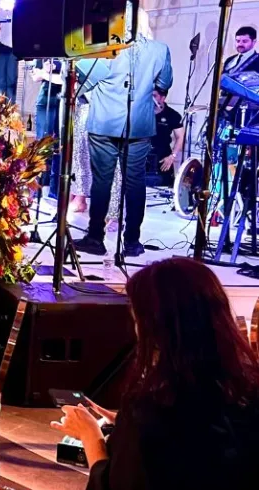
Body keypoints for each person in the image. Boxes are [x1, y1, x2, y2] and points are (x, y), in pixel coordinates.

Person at [51, 257, 259, 489]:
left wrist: (91, 437)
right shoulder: (247, 389)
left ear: (155, 328)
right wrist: (123, 426)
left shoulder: (152, 411)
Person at [72, 9, 172, 257]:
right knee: (135, 182)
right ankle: (132, 242)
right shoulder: (160, 50)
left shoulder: (104, 48)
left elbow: (83, 80)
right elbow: (164, 83)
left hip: (104, 124)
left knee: (102, 182)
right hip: (139, 126)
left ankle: (95, 237)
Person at [33, 59, 65, 198]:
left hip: (62, 101)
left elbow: (64, 80)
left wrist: (45, 74)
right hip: (44, 101)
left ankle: (54, 190)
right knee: (41, 145)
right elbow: (35, 76)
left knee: (59, 146)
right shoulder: (42, 52)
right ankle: (37, 188)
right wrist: (45, 74)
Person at [149, 88, 184, 187]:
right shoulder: (142, 111)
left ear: (162, 98)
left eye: (154, 96)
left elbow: (180, 137)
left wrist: (172, 156)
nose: (151, 98)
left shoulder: (172, 115)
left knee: (163, 186)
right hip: (142, 155)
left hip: (162, 158)